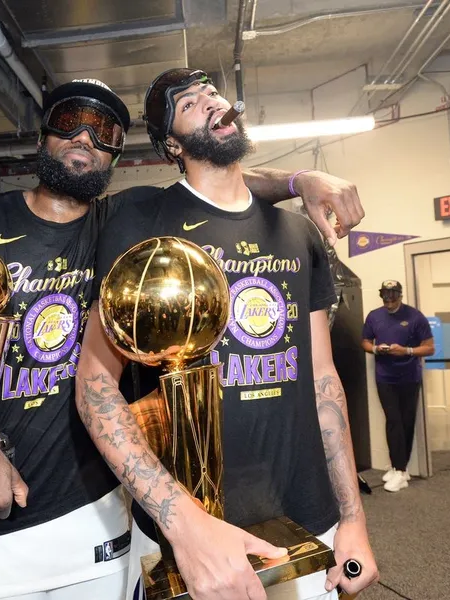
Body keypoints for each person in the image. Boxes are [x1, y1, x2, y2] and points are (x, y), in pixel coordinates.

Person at [0, 76, 368, 600]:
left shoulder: (122, 220)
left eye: (104, 131)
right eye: (69, 121)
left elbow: (217, 183)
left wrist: (300, 181)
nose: (84, 138)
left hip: (100, 525)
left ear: (116, 153)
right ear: (42, 134)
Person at [74, 68, 377, 600]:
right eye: (189, 103)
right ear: (171, 144)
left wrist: (352, 517)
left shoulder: (298, 232)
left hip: (309, 518)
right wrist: (183, 524)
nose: (212, 102)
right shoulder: (139, 219)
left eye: (212, 92)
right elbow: (95, 385)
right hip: (194, 535)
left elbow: (323, 380)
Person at [360, 280, 434, 493]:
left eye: (393, 296)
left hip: (410, 377)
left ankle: (401, 470)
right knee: (393, 421)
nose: (389, 300)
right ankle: (398, 467)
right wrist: (376, 349)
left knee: (406, 422)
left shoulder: (415, 316)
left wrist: (406, 351)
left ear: (400, 295)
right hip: (385, 377)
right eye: (385, 296)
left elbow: (429, 348)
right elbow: (365, 341)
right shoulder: (374, 316)